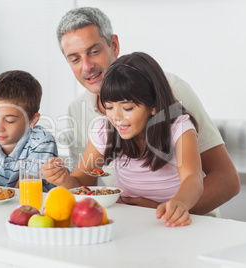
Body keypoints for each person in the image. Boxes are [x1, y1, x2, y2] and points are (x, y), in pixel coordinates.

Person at [45, 7, 239, 215]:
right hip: (131, 225)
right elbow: (83, 183)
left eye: (94, 52)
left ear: (114, 45)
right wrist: (64, 179)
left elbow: (226, 180)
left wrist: (159, 211)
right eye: (74, 59)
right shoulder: (80, 111)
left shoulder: (169, 91)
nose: (86, 66)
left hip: (188, 222)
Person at [53, 52, 204, 226]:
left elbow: (193, 178)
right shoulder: (105, 130)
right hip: (125, 221)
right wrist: (64, 180)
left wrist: (181, 202)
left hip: (167, 222)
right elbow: (81, 182)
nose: (116, 117)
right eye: (109, 107)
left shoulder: (179, 128)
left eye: (127, 108)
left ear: (153, 106)